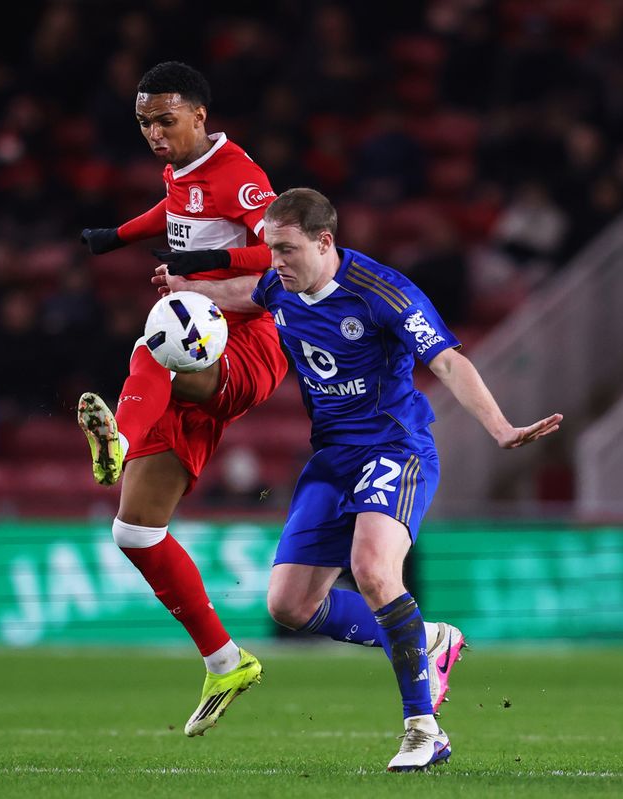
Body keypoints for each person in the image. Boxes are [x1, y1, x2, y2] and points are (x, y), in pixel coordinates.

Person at [158, 188, 561, 771]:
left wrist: (499, 427)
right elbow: (246, 291)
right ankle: (427, 640)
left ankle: (424, 730)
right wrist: (188, 290)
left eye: (287, 250)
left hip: (396, 448)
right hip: (332, 459)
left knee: (373, 570)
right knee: (290, 606)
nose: (275, 261)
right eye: (270, 248)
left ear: (325, 242)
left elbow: (447, 359)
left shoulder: (383, 292)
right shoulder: (280, 284)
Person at [74, 61, 289, 736]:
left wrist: (198, 267)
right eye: (144, 123)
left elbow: (276, 251)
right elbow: (176, 210)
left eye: (165, 120)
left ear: (200, 115)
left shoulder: (243, 176)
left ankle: (119, 440)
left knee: (153, 341)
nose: (154, 134)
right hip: (195, 358)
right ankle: (226, 660)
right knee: (135, 529)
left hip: (249, 346)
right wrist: (119, 236)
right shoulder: (182, 174)